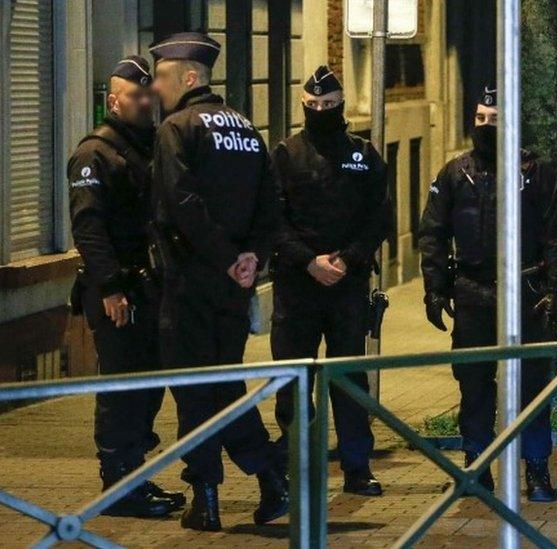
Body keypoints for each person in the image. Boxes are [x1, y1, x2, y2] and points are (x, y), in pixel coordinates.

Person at [148, 32, 287, 531]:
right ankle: (270, 475)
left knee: (193, 389)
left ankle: (205, 496)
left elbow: (181, 203)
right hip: (235, 284)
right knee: (226, 384)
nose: (156, 87)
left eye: (161, 77)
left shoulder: (176, 128)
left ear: (188, 77)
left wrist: (228, 258)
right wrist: (251, 259)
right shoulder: (247, 129)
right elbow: (271, 204)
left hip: (190, 282)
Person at [418, 85, 557, 502]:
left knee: (532, 386)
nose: (487, 126)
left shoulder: (537, 173)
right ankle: (476, 466)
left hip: (527, 292)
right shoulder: (456, 173)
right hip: (472, 291)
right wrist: (434, 288)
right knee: (474, 385)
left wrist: (556, 291)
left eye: (496, 119)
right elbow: (432, 233)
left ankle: (536, 467)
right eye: (481, 118)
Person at [68, 55, 185, 518]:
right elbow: (89, 228)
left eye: (147, 94)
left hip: (148, 289)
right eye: (135, 95)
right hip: (118, 294)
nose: (144, 101)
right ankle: (118, 487)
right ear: (113, 100)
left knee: (146, 388)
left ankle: (133, 476)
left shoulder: (149, 145)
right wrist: (111, 288)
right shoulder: (93, 153)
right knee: (122, 392)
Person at [270, 65, 390, 495]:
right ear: (304, 105)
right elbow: (272, 220)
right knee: (293, 379)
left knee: (349, 379)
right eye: (314, 105)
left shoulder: (363, 155)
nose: (321, 110)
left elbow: (380, 216)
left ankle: (357, 468)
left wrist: (348, 259)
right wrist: (308, 262)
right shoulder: (285, 154)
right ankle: (296, 463)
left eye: (329, 105)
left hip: (347, 284)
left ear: (341, 107)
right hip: (297, 285)